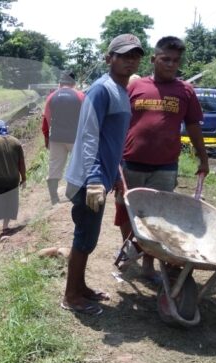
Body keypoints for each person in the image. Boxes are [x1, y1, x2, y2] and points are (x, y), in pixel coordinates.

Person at [114, 36, 209, 283]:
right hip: (131, 161)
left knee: (158, 217)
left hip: (165, 167)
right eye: (165, 59)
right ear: (154, 59)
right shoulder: (135, 87)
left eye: (175, 61)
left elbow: (193, 127)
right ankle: (128, 253)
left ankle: (147, 264)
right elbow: (120, 122)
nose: (170, 64)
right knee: (128, 212)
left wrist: (203, 158)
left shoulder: (185, 91)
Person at [62, 34, 144, 315]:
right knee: (84, 237)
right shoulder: (102, 89)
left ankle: (80, 287)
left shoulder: (121, 90)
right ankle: (71, 295)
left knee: (89, 236)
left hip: (101, 177)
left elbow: (114, 140)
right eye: (123, 55)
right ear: (109, 58)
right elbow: (88, 136)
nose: (130, 60)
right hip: (89, 179)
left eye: (135, 55)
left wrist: (117, 174)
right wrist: (96, 178)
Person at [42, 71, 85, 204]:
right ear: (74, 83)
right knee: (78, 166)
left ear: (60, 83)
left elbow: (46, 122)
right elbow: (86, 119)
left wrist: (47, 140)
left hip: (56, 138)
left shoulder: (51, 97)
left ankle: (54, 198)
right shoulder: (80, 96)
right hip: (75, 139)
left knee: (54, 167)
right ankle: (74, 195)